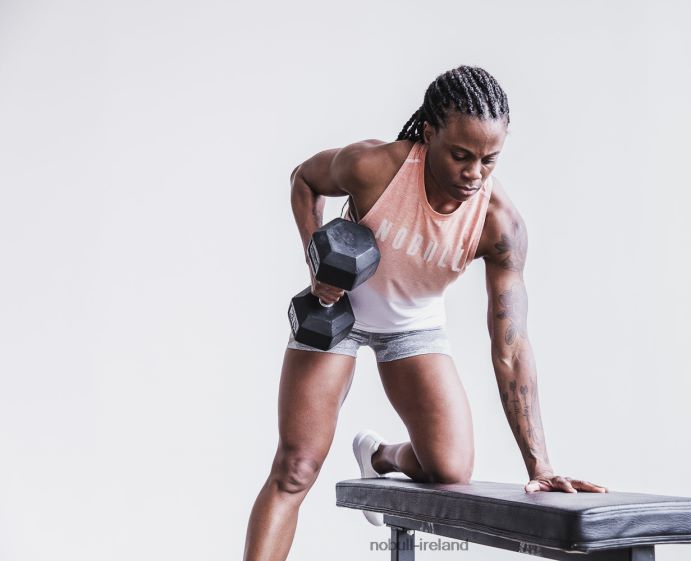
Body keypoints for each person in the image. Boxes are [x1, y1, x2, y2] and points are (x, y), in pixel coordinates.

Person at [242, 65, 607, 561]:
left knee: (451, 470)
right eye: (460, 155)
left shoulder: (499, 226)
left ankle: (379, 455)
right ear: (429, 132)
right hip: (336, 313)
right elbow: (304, 178)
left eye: (489, 160)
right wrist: (316, 259)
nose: (474, 174)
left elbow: (512, 348)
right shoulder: (374, 167)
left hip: (411, 326)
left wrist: (539, 464)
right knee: (295, 467)